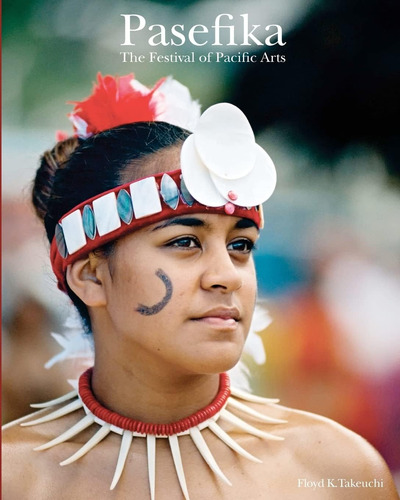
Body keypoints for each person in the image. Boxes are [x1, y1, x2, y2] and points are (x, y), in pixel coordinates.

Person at [2, 73, 398, 500]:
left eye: (241, 245)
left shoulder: (337, 472)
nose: (226, 274)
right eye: (185, 242)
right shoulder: (16, 478)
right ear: (91, 275)